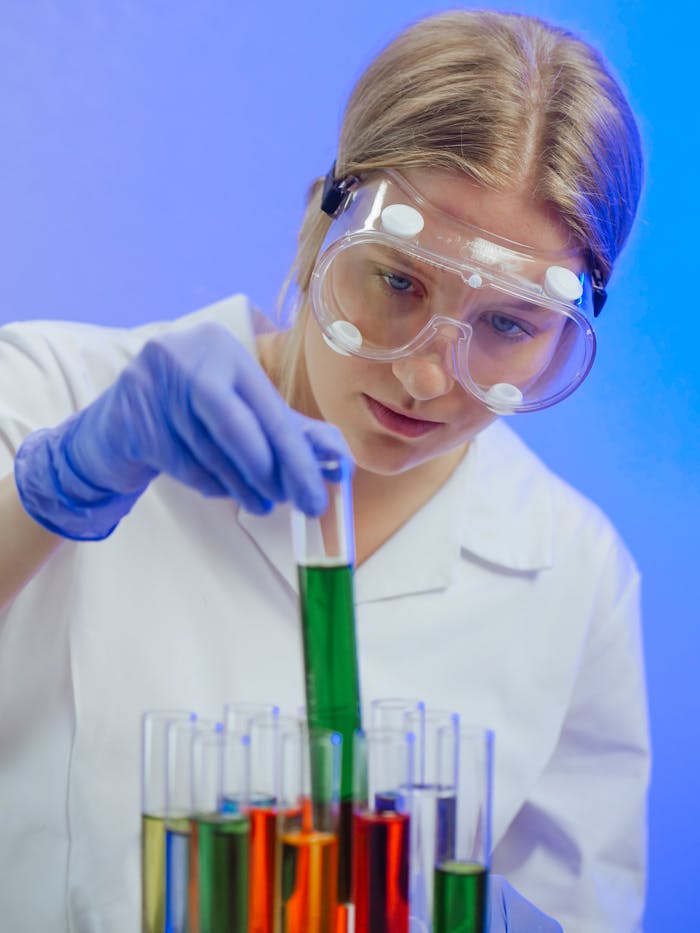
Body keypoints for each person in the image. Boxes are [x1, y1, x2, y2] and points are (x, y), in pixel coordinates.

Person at [0, 9, 648, 932]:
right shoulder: (51, 393)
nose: (426, 376)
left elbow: (580, 907)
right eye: (397, 281)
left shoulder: (577, 575)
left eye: (508, 325)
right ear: (319, 223)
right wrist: (51, 490)